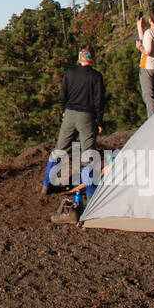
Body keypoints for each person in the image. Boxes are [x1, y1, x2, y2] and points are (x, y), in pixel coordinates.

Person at [44, 47, 105, 197]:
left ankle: (46, 184)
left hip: (70, 114)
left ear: (80, 57)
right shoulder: (96, 76)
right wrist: (100, 121)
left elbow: (62, 94)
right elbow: (99, 101)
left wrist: (64, 110)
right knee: (88, 154)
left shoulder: (70, 72)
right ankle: (91, 192)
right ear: (92, 58)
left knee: (60, 149)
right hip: (86, 117)